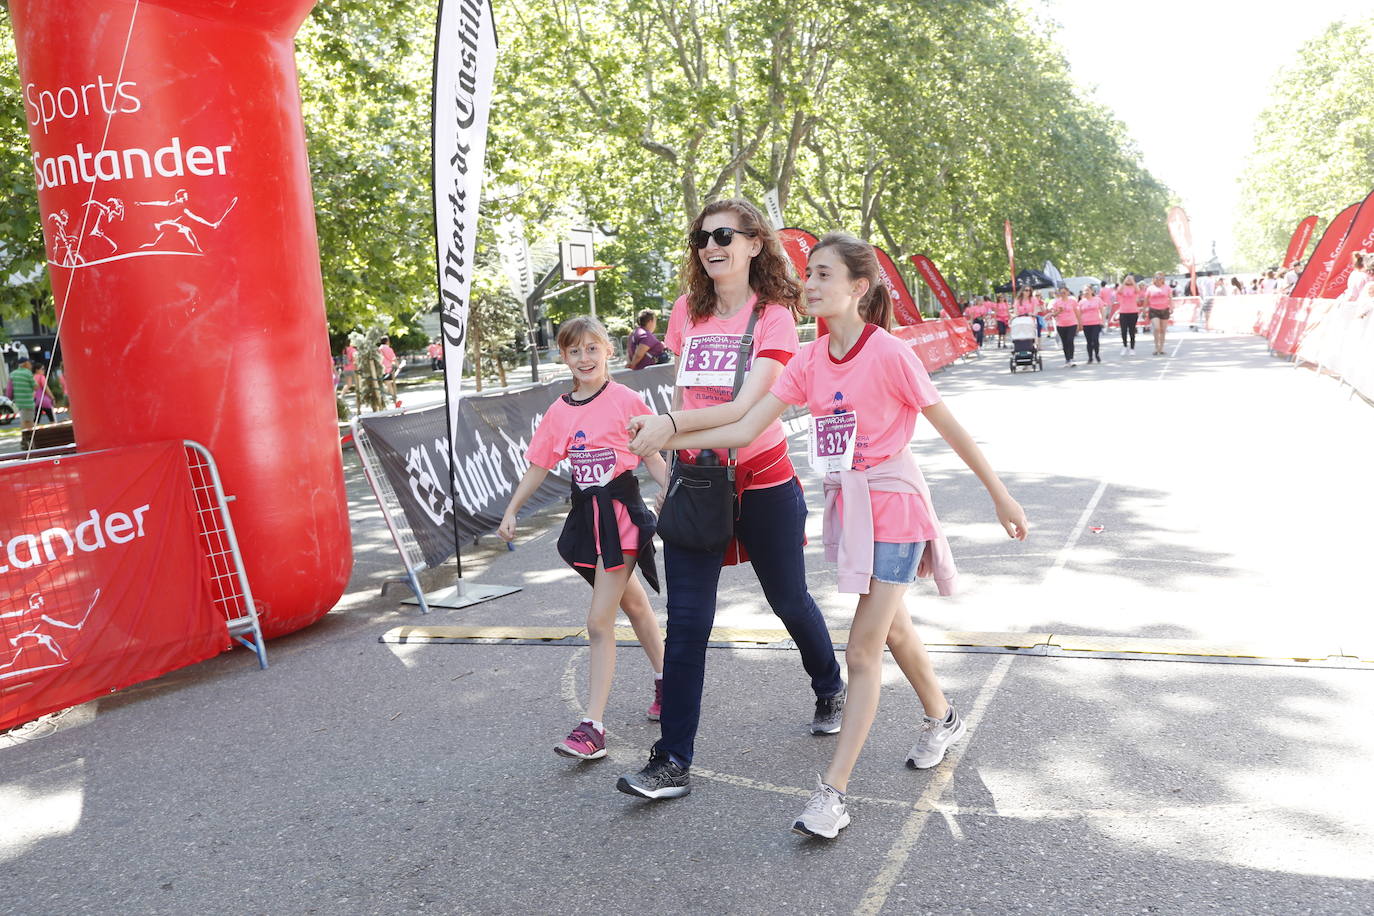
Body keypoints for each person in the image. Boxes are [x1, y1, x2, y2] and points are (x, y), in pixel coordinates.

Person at [651, 232, 1028, 837]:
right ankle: (942, 716)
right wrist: (664, 435)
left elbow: (949, 426)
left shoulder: (890, 354)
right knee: (894, 626)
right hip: (848, 510)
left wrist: (999, 494)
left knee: (861, 649)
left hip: (897, 508)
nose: (812, 283)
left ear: (859, 287)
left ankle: (833, 794)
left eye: (824, 274)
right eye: (809, 273)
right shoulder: (808, 359)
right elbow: (746, 426)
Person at [616, 198, 846, 801]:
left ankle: (828, 682)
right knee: (688, 625)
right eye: (701, 237)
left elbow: (745, 411)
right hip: (696, 485)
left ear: (754, 243)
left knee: (789, 600)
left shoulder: (775, 317)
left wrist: (671, 425)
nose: (710, 245)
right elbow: (688, 398)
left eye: (724, 234)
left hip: (764, 482)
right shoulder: (683, 313)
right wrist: (670, 444)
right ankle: (670, 763)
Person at [498, 315, 668, 760]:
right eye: (575, 351)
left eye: (592, 348)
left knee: (598, 622)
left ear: (608, 350)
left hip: (622, 518)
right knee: (633, 605)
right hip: (586, 522)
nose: (584, 358)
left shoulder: (627, 399)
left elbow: (650, 453)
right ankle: (669, 684)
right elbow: (539, 462)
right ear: (564, 357)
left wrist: (672, 491)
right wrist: (513, 509)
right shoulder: (559, 411)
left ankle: (593, 727)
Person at [1049, 286, 1080, 367]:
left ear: (1068, 292)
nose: (1063, 294)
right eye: (1061, 293)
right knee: (1065, 342)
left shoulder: (1072, 301)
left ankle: (1072, 358)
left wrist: (1080, 323)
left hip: (1072, 323)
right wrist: (1059, 311)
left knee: (1070, 340)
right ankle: (1067, 359)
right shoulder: (1056, 302)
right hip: (1061, 324)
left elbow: (1077, 312)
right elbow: (1053, 315)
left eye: (1064, 292)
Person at [1145, 271, 1173, 355]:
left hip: (1164, 309)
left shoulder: (1167, 287)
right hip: (1154, 310)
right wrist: (1143, 310)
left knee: (1163, 330)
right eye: (1157, 278)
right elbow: (1146, 299)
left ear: (1163, 279)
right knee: (1157, 328)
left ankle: (1161, 348)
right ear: (1154, 279)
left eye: (1160, 278)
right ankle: (1156, 347)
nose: (1159, 279)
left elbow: (1170, 298)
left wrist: (1171, 307)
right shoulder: (1150, 288)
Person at [6, 357, 36, 431]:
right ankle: (28, 438)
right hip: (28, 401)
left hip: (19, 402)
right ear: (26, 364)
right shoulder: (28, 373)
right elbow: (35, 386)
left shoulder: (13, 374)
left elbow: (9, 390)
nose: (31, 365)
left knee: (24, 420)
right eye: (30, 363)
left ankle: (26, 438)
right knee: (29, 422)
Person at [1077, 284, 1105, 364]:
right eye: (1085, 291)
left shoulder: (1097, 299)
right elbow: (1079, 313)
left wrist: (1103, 321)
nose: (1086, 292)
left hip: (1096, 323)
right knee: (1089, 341)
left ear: (1092, 291)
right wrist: (1079, 324)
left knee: (1095, 340)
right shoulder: (1081, 302)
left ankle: (1097, 354)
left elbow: (1102, 310)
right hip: (1086, 323)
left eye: (1088, 290)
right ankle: (1090, 357)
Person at [378, 335, 400, 406]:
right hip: (388, 369)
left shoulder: (379, 349)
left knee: (388, 383)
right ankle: (394, 398)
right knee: (388, 383)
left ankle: (393, 398)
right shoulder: (388, 349)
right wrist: (398, 366)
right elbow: (393, 358)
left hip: (380, 369)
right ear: (387, 341)